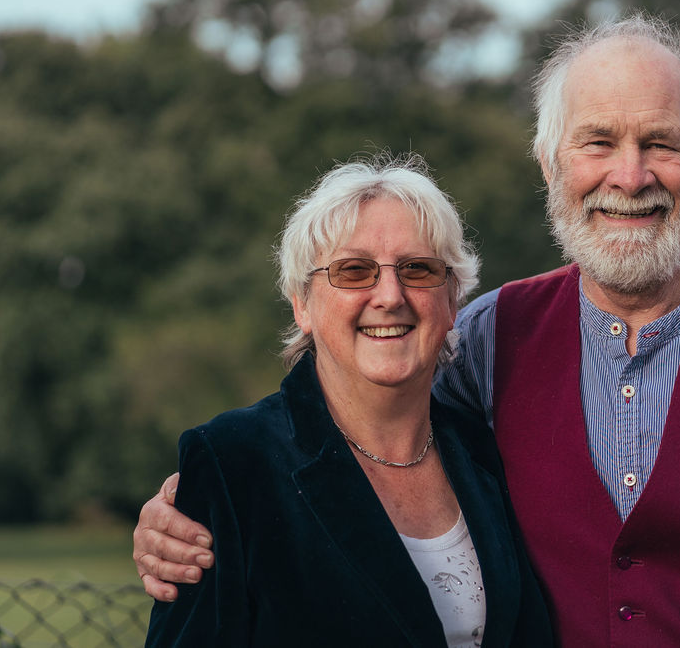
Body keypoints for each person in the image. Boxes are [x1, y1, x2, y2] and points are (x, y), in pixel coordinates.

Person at [135, 15, 680, 645]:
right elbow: (345, 411)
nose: (628, 176)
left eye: (659, 144)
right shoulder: (484, 346)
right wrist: (185, 511)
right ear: (550, 163)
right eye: (597, 141)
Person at [143, 155, 552, 647]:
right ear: (302, 304)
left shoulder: (483, 451)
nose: (389, 295)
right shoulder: (234, 462)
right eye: (354, 271)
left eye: (418, 269)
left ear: (452, 303)